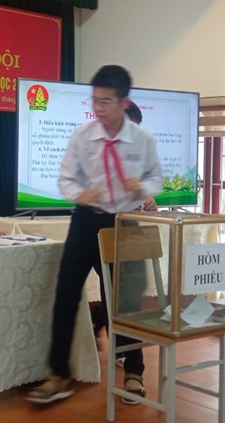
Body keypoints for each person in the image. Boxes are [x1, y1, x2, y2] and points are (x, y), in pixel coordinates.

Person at [26, 65, 163, 405]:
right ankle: (59, 375)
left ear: (124, 102)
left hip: (123, 224)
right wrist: (80, 193)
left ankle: (133, 372)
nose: (98, 108)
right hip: (85, 222)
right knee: (65, 294)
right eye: (95, 100)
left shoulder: (142, 139)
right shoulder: (82, 135)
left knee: (125, 302)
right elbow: (65, 179)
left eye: (106, 101)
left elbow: (157, 179)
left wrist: (142, 186)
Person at [89, 102, 157, 357]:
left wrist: (148, 198)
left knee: (131, 287)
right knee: (115, 289)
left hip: (127, 228)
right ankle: (126, 353)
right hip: (102, 229)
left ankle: (100, 321)